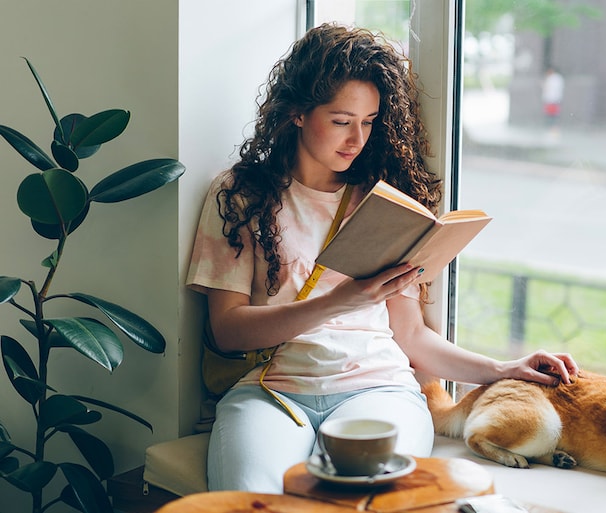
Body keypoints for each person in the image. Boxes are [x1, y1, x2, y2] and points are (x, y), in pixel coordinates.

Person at [186, 23, 579, 494]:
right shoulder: (242, 194)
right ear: (295, 112)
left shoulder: (382, 203)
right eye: (340, 120)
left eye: (369, 122)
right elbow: (226, 330)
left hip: (379, 389)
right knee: (250, 498)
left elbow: (411, 335)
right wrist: (340, 301)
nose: (356, 139)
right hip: (271, 390)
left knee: (365, 497)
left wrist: (502, 370)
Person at [541, 67, 565, 132]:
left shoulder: (551, 78)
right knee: (554, 113)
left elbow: (547, 88)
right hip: (556, 99)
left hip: (551, 99)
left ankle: (551, 127)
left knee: (551, 114)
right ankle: (553, 127)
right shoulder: (559, 78)